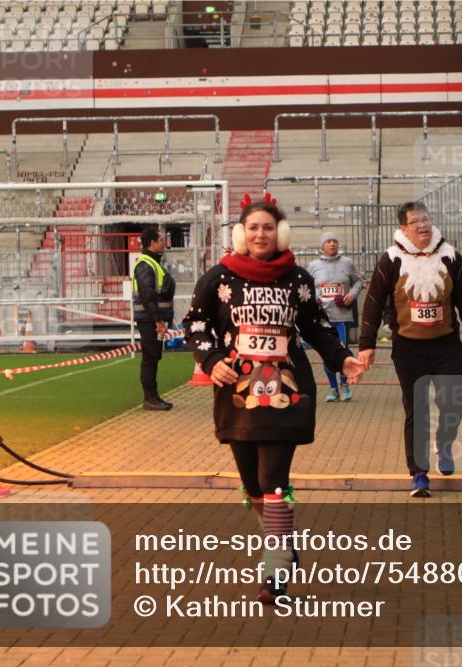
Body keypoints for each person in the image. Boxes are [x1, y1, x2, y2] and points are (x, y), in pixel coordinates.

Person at [183, 192, 364, 603]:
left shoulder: (297, 279)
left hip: (287, 392)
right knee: (251, 486)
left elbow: (317, 327)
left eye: (268, 227)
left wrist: (342, 360)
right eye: (253, 228)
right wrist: (211, 360)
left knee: (272, 482)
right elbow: (195, 325)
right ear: (241, 234)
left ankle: (276, 572)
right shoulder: (219, 277)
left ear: (279, 233)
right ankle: (285, 544)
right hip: (238, 394)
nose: (261, 234)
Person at [358, 202, 462, 498]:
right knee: (416, 409)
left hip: (447, 346)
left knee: (452, 404)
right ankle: (419, 473)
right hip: (408, 349)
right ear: (403, 228)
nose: (422, 225)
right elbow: (373, 303)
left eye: (426, 219)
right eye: (415, 222)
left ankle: (444, 445)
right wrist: (366, 345)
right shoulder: (390, 260)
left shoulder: (450, 256)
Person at [306, 232, 363, 402]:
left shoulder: (347, 263)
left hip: (342, 316)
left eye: (335, 241)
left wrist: (352, 295)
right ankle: (333, 388)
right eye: (329, 242)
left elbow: (359, 281)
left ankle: (344, 386)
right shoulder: (313, 265)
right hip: (324, 318)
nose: (332, 244)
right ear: (322, 246)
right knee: (326, 353)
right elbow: (308, 287)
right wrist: (315, 300)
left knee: (342, 351)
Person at [132, 227, 176, 411]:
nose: (164, 243)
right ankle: (150, 398)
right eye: (161, 240)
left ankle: (153, 396)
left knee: (154, 356)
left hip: (152, 319)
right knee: (150, 357)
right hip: (149, 320)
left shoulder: (152, 263)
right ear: (152, 243)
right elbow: (147, 294)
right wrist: (157, 320)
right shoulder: (145, 265)